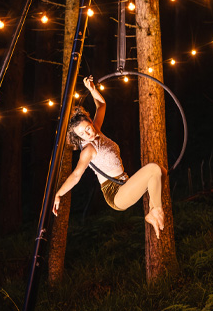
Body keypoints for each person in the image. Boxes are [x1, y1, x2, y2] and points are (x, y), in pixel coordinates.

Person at [53, 76, 166, 239]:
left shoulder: (97, 130)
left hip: (124, 182)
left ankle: (154, 209)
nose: (88, 134)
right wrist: (59, 194)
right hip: (115, 193)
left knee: (161, 171)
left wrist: (92, 89)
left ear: (91, 122)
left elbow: (102, 105)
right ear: (78, 138)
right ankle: (154, 211)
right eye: (82, 134)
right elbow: (76, 175)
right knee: (154, 168)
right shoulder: (88, 149)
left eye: (88, 128)